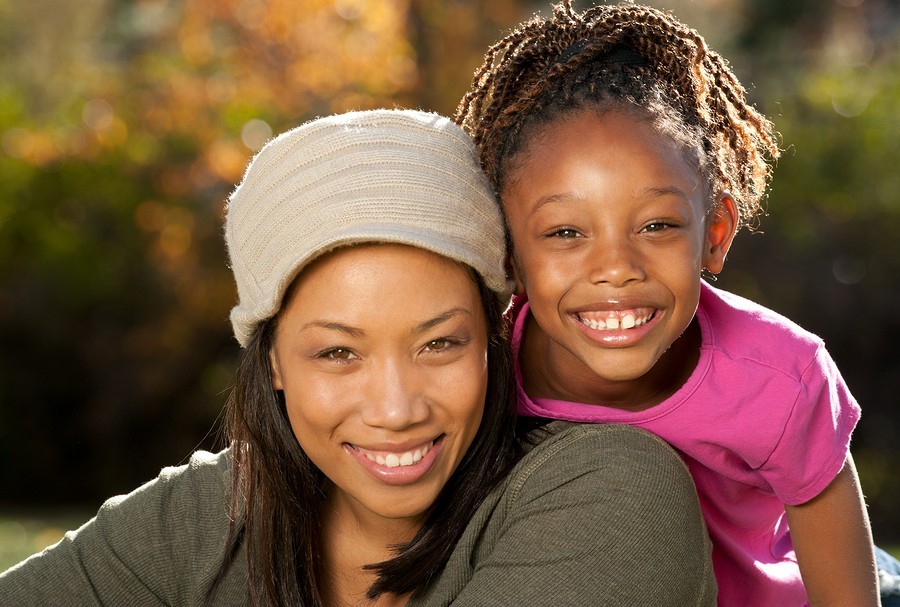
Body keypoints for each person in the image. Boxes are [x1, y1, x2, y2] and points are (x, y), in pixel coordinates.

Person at [0, 109, 717, 606]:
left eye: (440, 342)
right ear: (273, 360)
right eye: (338, 352)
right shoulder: (203, 519)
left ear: (495, 336)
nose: (397, 408)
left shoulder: (614, 494)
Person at [455, 2, 900, 605]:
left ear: (714, 236)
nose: (615, 268)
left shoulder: (779, 380)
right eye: (565, 233)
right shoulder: (480, 374)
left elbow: (847, 593)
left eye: (658, 225)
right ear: (510, 259)